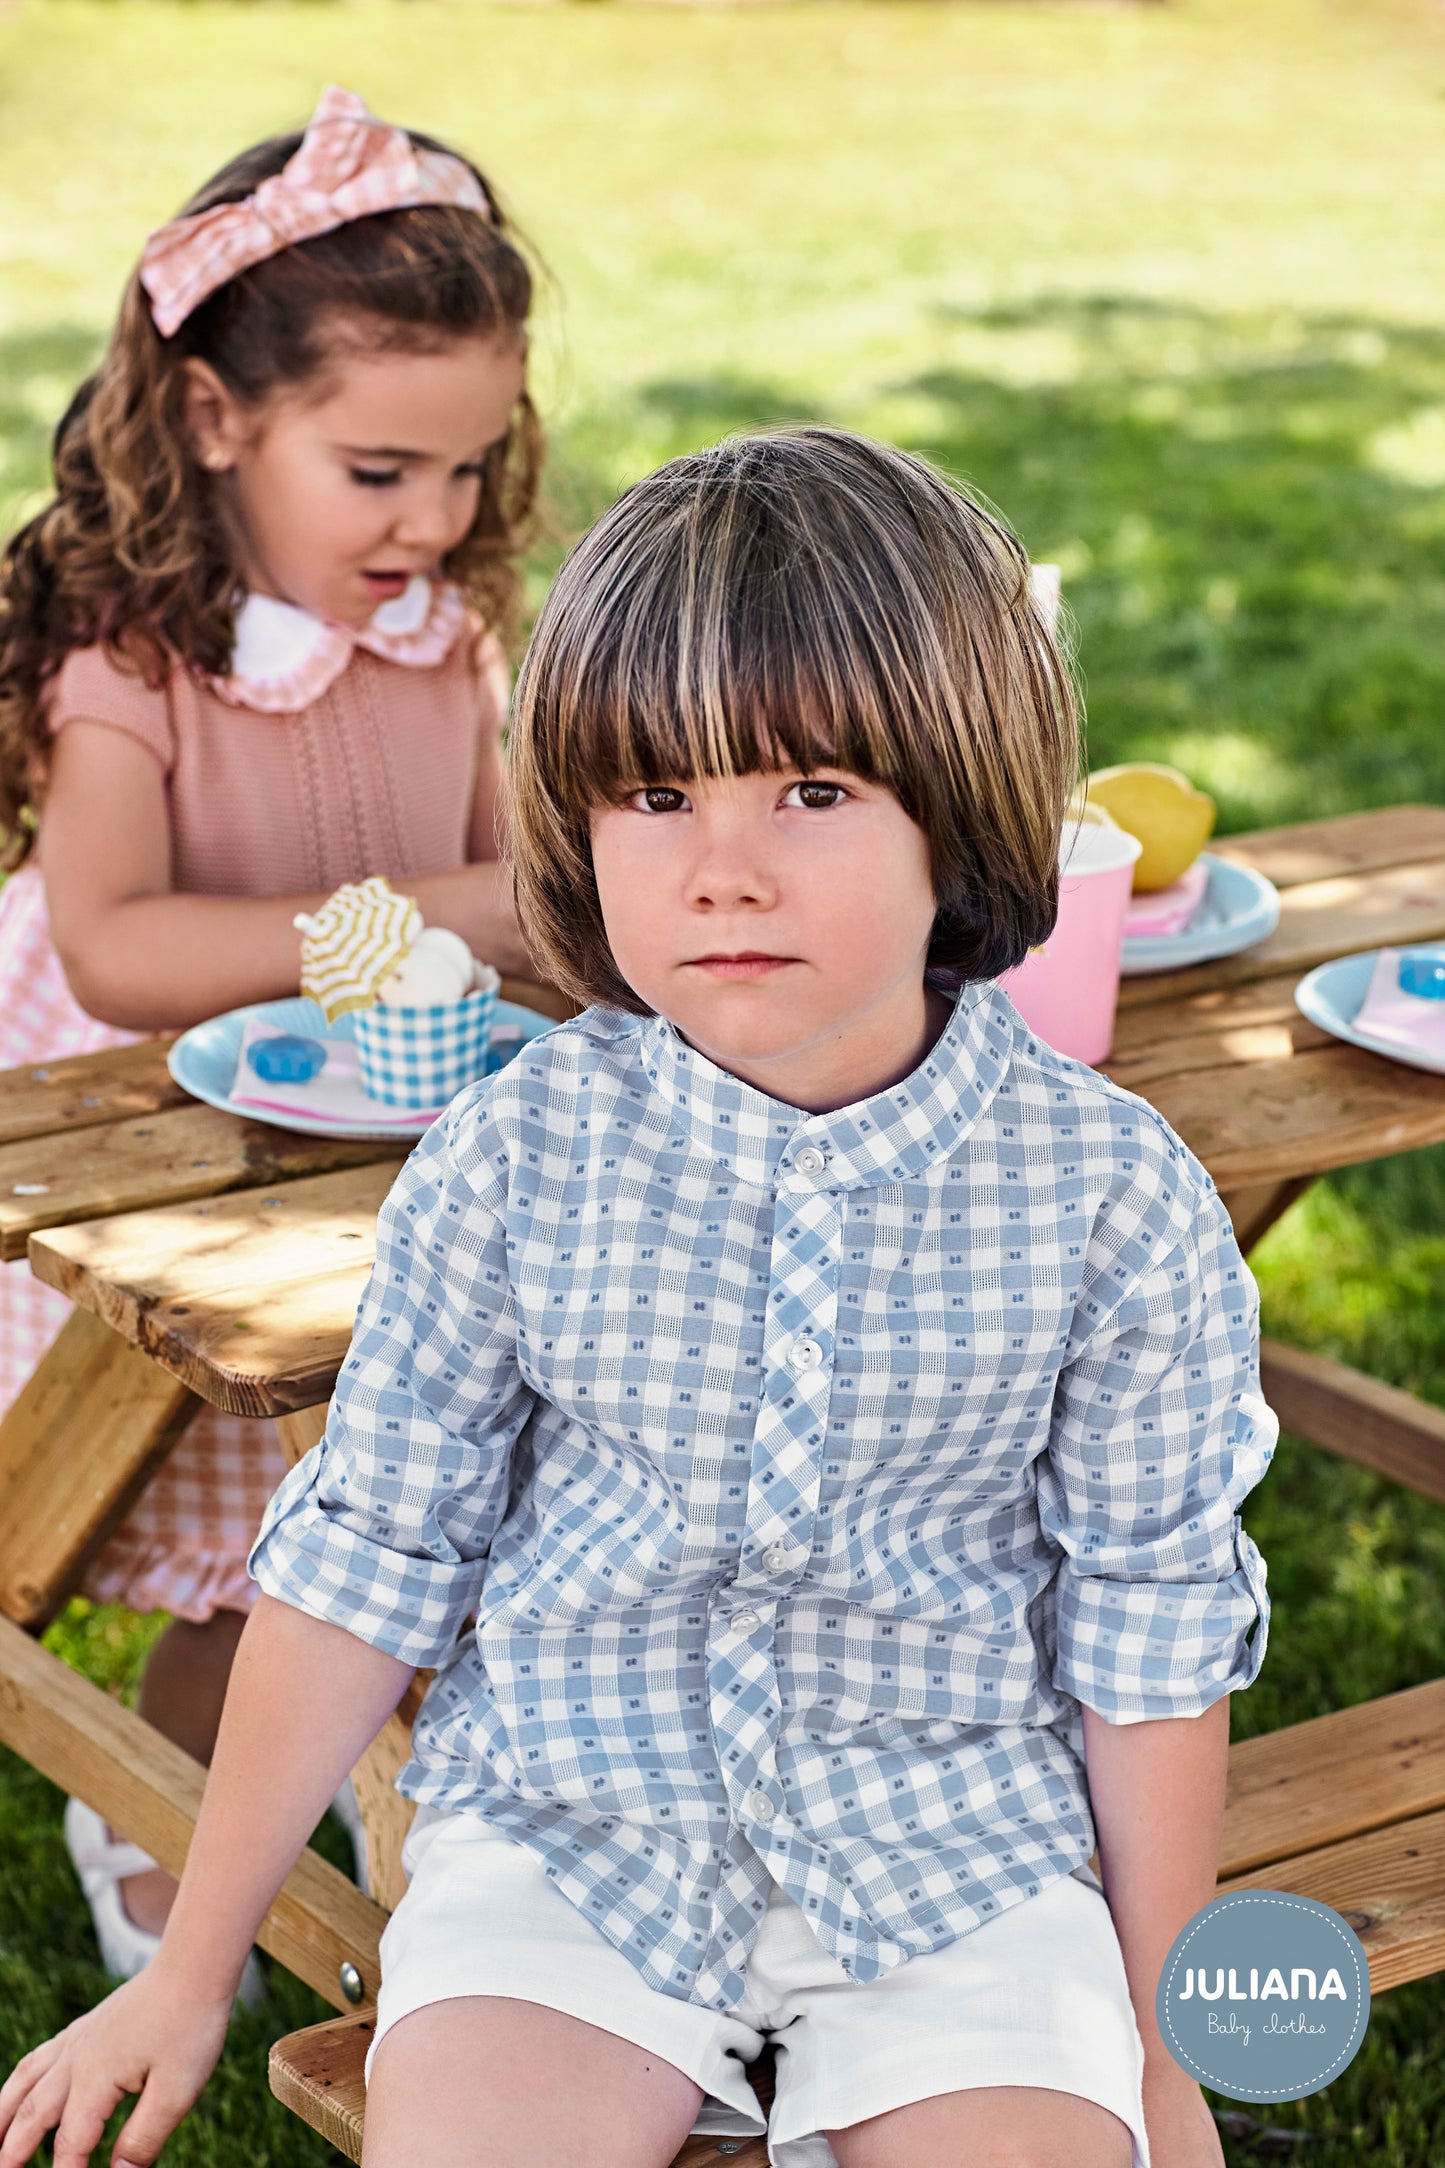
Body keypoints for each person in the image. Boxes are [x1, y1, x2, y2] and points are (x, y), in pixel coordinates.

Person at [0, 429, 1275, 2168]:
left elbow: (1149, 1639)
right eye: (655, 798)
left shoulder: (1114, 1201)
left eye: (810, 794)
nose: (719, 870)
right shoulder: (517, 1151)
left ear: (961, 804)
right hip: (565, 1843)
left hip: (957, 1849)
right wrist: (193, 1968)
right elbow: (369, 1557)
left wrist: (1155, 2044)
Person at [0, 86, 541, 1979]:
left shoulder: (449, 636)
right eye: (382, 469)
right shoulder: (132, 655)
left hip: (403, 1160)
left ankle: (423, 1799)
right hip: (162, 1161)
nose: (437, 520)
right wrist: (412, 923)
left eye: (469, 471)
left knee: (420, 1526)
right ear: (221, 419)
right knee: (254, 1545)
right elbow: (118, 944)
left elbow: (510, 894)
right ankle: (148, 1809)